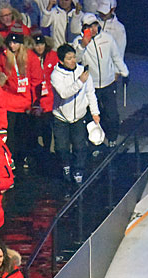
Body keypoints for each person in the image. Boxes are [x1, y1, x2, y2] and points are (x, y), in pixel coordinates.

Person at [73, 12, 127, 147]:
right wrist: (82, 45)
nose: (92, 29)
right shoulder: (78, 41)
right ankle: (95, 143)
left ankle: (112, 138)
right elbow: (76, 60)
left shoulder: (107, 38)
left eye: (94, 25)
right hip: (91, 86)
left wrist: (125, 73)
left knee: (112, 115)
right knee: (93, 116)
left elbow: (116, 57)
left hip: (109, 83)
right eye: (88, 27)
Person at [50, 42, 99, 184]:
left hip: (79, 116)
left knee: (79, 145)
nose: (73, 61)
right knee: (61, 147)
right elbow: (64, 93)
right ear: (61, 61)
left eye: (74, 57)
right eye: (69, 58)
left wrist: (95, 112)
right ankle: (65, 165)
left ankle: (78, 169)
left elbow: (90, 93)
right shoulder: (56, 75)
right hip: (61, 117)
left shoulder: (82, 71)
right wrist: (80, 82)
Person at [0, 32, 42, 165]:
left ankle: (24, 156)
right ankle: (11, 158)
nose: (12, 46)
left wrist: (35, 102)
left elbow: (36, 79)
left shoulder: (30, 57)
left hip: (25, 103)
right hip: (8, 102)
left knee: (25, 133)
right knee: (10, 134)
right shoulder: (4, 56)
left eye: (15, 43)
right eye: (10, 43)